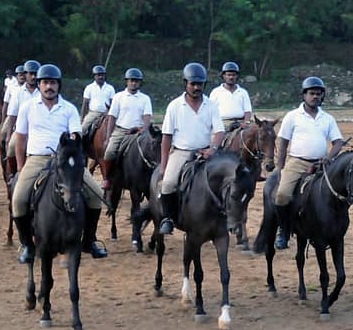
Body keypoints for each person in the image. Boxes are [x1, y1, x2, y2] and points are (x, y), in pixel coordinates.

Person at [11, 63, 108, 262]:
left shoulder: (69, 108)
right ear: (39, 84)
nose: (49, 87)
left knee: (96, 195)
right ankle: (27, 245)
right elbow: (20, 138)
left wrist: (71, 142)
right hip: (37, 158)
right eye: (45, 82)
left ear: (59, 85)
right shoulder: (27, 107)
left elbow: (76, 134)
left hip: (64, 160)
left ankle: (89, 240)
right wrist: (20, 168)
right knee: (18, 200)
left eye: (53, 83)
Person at [272, 76, 344, 250]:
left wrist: (329, 157)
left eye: (319, 94)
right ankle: (283, 230)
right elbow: (283, 142)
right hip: (297, 162)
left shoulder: (327, 118)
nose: (315, 97)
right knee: (282, 195)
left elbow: (338, 142)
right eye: (312, 93)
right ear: (304, 95)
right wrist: (280, 168)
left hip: (322, 164)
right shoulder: (292, 116)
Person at [157, 63, 225, 236]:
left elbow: (219, 131)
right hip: (181, 152)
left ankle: (225, 215)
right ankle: (168, 218)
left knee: (226, 179)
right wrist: (164, 166)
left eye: (199, 84)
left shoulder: (211, 105)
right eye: (193, 84)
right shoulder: (174, 106)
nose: (196, 88)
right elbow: (166, 137)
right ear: (185, 84)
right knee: (168, 183)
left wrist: (212, 149)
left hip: (205, 152)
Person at [100, 67, 152, 189]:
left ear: (140, 83)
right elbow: (112, 117)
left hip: (138, 132)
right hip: (121, 130)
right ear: (127, 81)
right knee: (109, 152)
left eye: (136, 81)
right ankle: (107, 178)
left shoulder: (145, 98)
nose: (134, 83)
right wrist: (108, 137)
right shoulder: (118, 97)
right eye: (131, 80)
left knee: (151, 152)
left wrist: (143, 130)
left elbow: (147, 117)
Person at [2, 60, 40, 176]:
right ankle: (13, 174)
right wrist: (9, 135)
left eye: (36, 74)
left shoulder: (43, 92)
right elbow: (12, 115)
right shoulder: (18, 93)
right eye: (31, 74)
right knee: (11, 147)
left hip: (39, 129)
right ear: (25, 74)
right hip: (21, 130)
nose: (33, 77)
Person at [208, 61, 252, 137]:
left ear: (237, 76)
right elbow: (210, 111)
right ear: (224, 76)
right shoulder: (216, 92)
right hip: (223, 123)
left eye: (233, 75)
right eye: (228, 75)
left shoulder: (243, 92)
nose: (231, 77)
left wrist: (246, 123)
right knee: (216, 140)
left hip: (241, 122)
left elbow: (247, 111)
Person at [80, 64, 115, 137]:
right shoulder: (89, 88)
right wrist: (82, 118)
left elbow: (113, 103)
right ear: (94, 76)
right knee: (82, 129)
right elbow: (85, 104)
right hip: (93, 113)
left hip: (107, 114)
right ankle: (80, 143)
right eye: (98, 75)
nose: (101, 77)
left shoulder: (110, 88)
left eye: (102, 75)